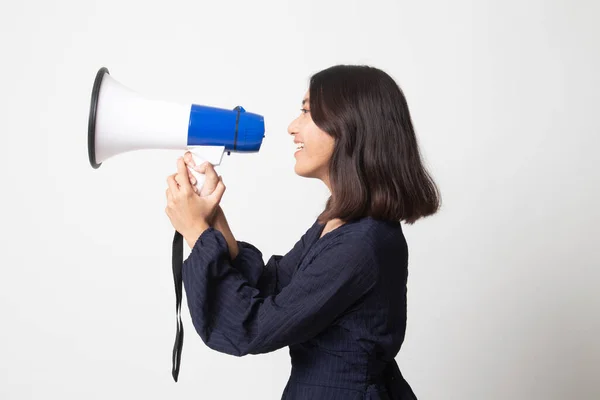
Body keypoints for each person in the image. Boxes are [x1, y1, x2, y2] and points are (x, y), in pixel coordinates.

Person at [164, 64, 440, 399]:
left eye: (307, 112)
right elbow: (271, 289)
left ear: (348, 126)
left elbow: (250, 328)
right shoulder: (337, 222)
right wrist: (212, 219)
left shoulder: (362, 245)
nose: (292, 127)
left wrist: (196, 231)